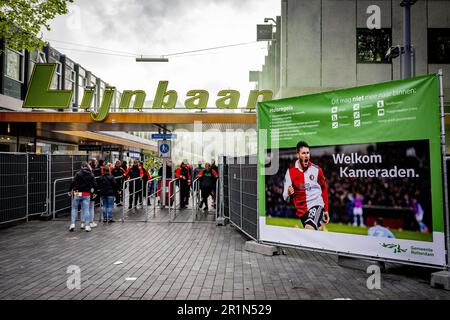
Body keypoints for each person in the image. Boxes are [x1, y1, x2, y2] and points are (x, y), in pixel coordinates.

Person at [283, 141, 329, 231]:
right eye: (303, 153)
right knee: (314, 235)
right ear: (298, 155)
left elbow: (324, 188)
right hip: (302, 212)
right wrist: (289, 193)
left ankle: (299, 232)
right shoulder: (290, 172)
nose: (306, 155)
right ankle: (311, 229)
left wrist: (326, 209)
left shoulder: (317, 170)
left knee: (309, 229)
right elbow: (285, 197)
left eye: (308, 153)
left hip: (316, 204)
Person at [68, 162, 97, 232]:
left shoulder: (78, 174)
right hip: (86, 194)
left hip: (78, 193)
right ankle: (87, 226)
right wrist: (95, 192)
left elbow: (73, 182)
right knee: (86, 210)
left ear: (82, 167)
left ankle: (72, 224)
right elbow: (95, 185)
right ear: (88, 167)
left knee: (74, 208)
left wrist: (69, 190)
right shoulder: (91, 175)